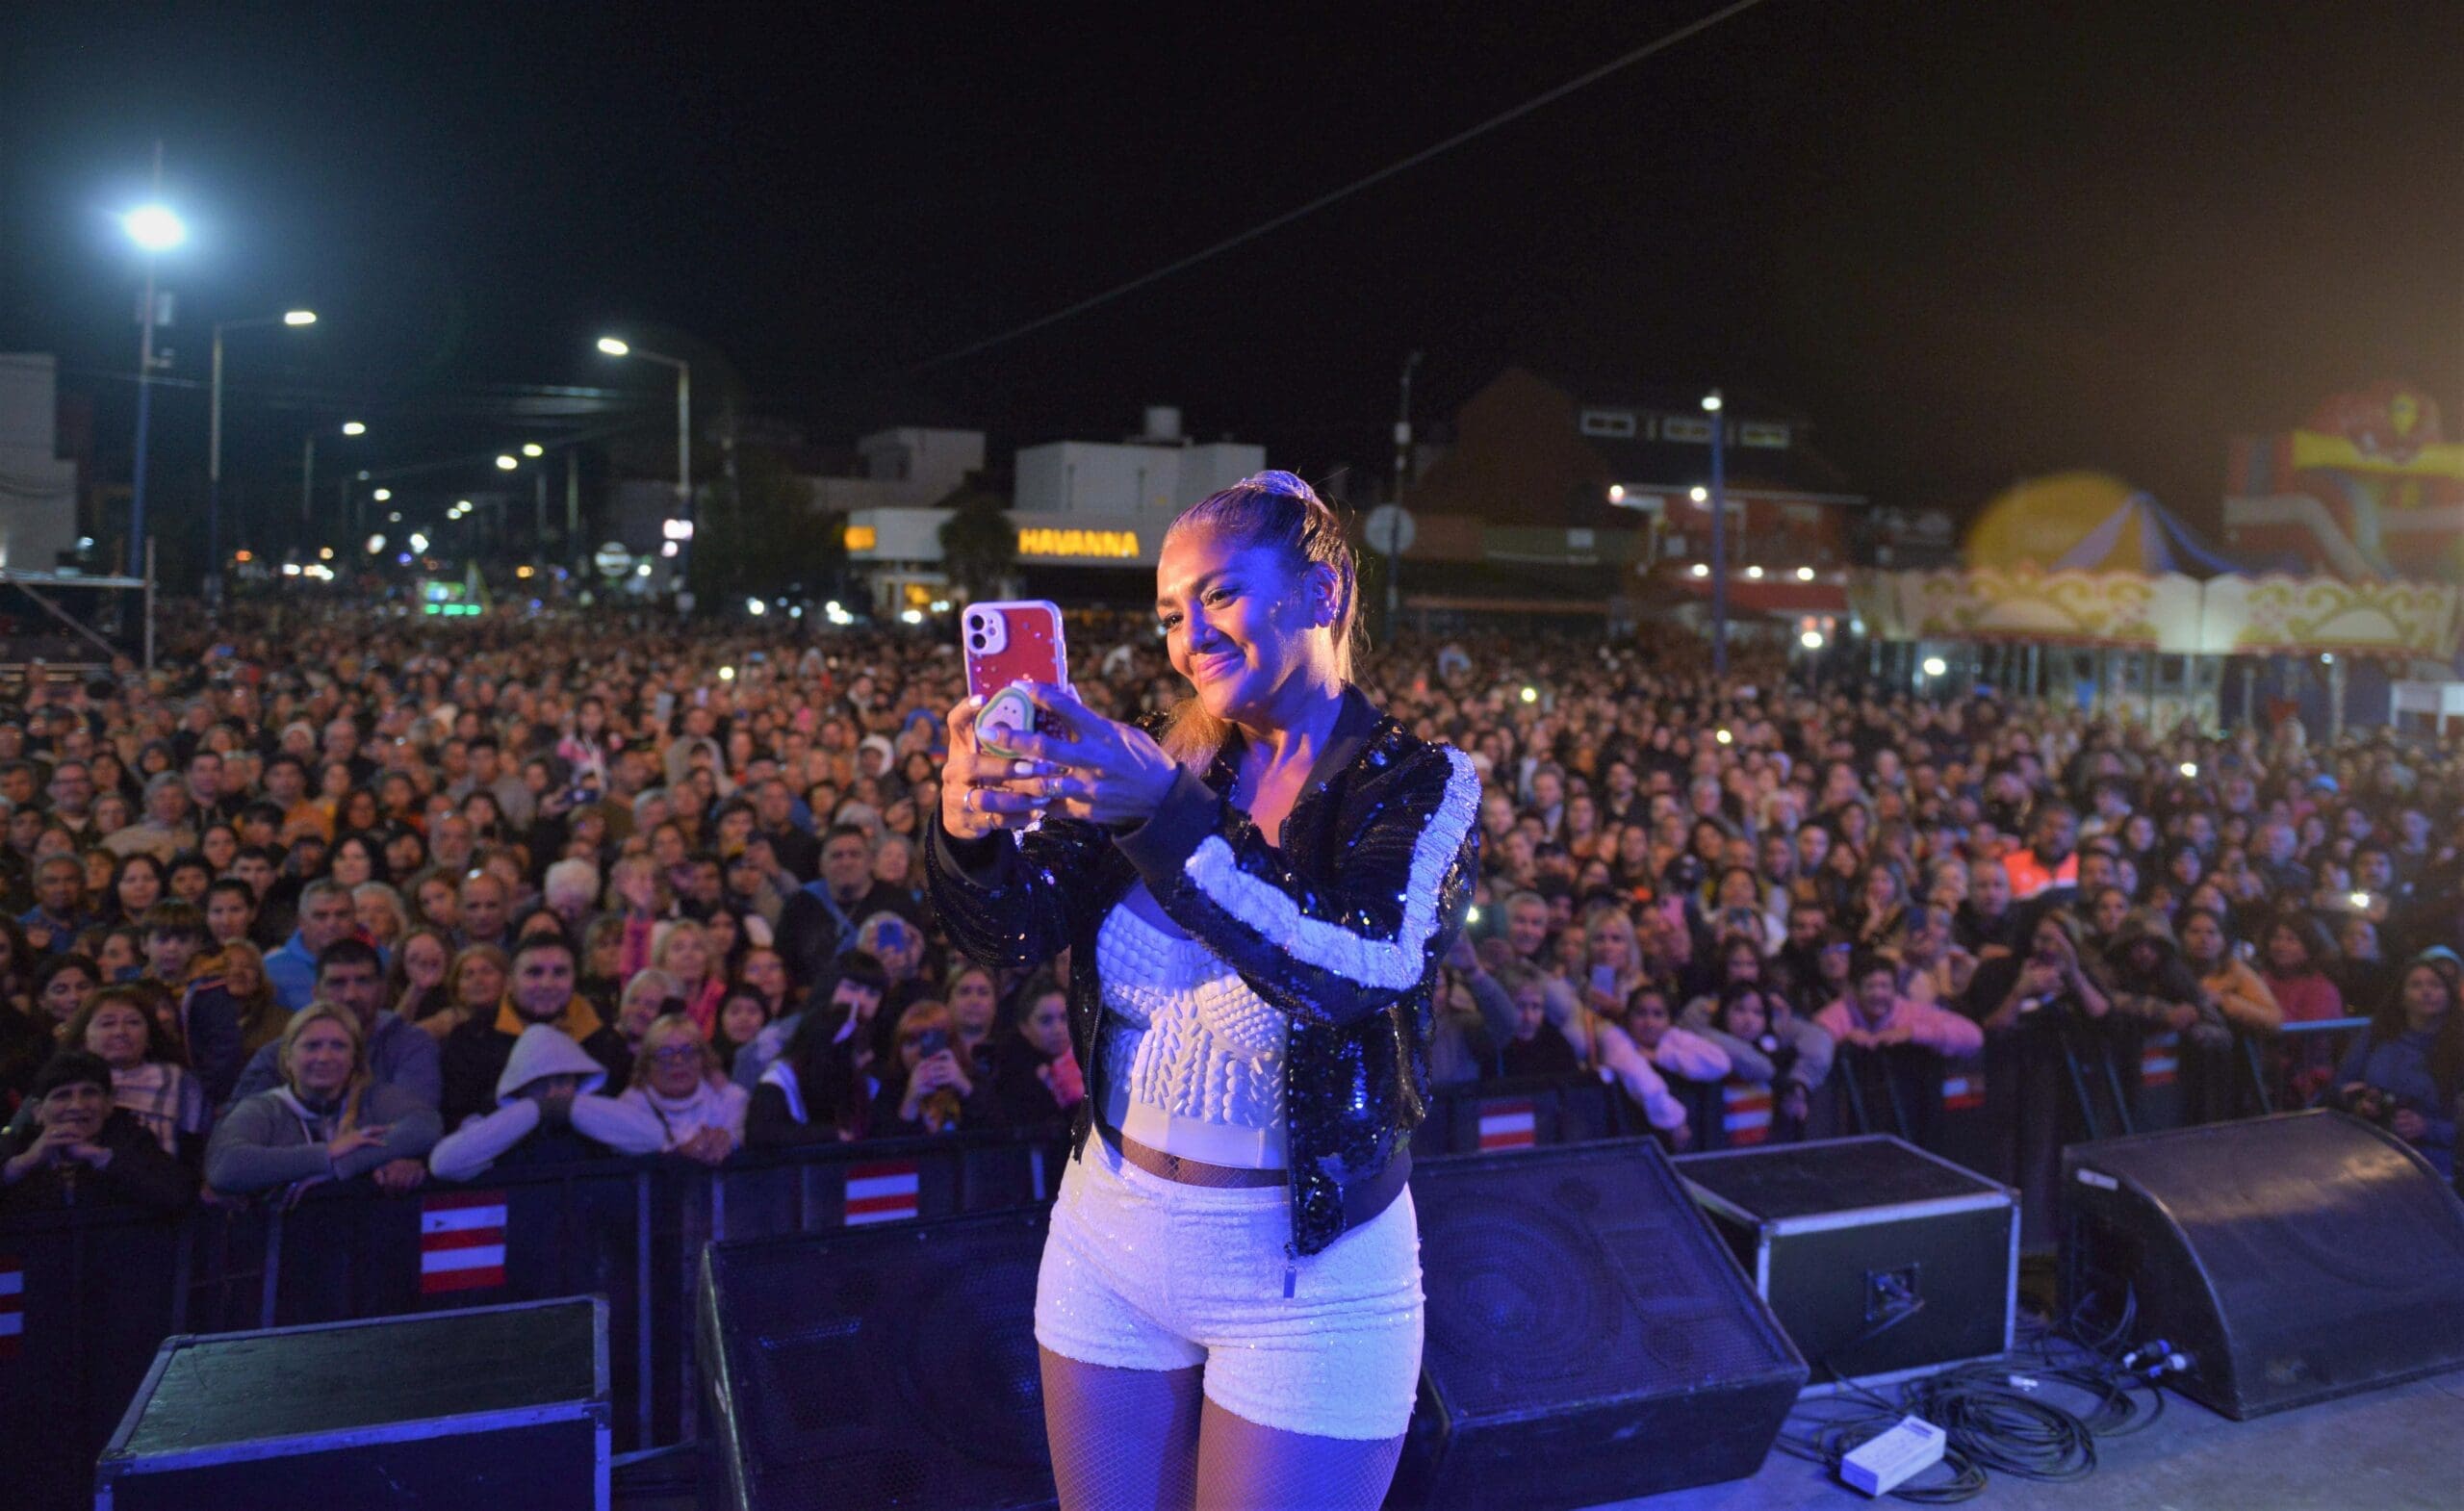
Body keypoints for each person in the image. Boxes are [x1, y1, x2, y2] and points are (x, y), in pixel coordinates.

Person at [930, 472, 1476, 1505]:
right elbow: (1012, 932)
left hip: (1304, 1284)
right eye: (1171, 615)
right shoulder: (1153, 757)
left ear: (1321, 594)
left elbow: (1352, 970)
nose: (1189, 638)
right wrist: (968, 832)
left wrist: (1167, 817)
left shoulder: (1416, 784)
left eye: (1219, 595)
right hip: (1107, 1241)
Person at [205, 1003, 443, 1196]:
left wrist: (347, 1163)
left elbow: (425, 1126)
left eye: (338, 1046)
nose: (324, 1057)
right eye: (312, 1046)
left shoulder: (373, 1097)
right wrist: (327, 1153)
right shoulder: (264, 1109)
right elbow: (224, 1167)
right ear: (288, 1058)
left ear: (354, 1059)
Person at [427, 1022, 666, 1180]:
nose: (553, 1094)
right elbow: (444, 1164)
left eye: (562, 1080)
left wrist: (572, 1108)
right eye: (540, 1084)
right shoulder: (493, 1122)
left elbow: (654, 1138)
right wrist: (534, 1110)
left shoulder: (602, 1118)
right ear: (520, 1087)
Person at [438, 934, 630, 1127]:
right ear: (510, 982)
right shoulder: (471, 1040)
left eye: (560, 972)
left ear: (574, 979)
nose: (547, 984)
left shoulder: (602, 1036)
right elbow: (459, 1117)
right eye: (534, 972)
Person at [0, 1049, 195, 1213]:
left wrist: (102, 1158)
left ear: (109, 1104)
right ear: (38, 1111)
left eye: (89, 1092)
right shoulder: (14, 1146)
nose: (77, 1105)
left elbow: (179, 1195)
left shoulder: (134, 1141)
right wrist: (24, 1163)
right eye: (62, 1096)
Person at [2333, 961, 2462, 1176]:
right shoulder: (2377, 1036)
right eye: (2416, 985)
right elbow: (2341, 1082)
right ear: (2401, 997)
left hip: (2434, 1160)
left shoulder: (2458, 1046)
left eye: (2435, 985)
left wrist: (2426, 1127)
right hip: (2370, 1149)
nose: (2426, 991)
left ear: (2448, 994)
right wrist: (2358, 1101)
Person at [618, 1013, 748, 1165]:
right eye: (665, 1053)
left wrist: (727, 1142)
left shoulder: (729, 1098)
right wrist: (678, 1155)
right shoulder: (630, 1106)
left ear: (703, 1058)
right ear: (647, 1063)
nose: (678, 1061)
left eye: (688, 1051)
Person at [988, 970, 1085, 1130]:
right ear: (1024, 1027)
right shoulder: (1012, 1073)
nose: (1058, 1029)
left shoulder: (1088, 1062)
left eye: (1064, 1018)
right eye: (1046, 1020)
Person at [264, 880, 356, 1012]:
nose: (332, 924)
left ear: (355, 918)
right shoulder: (269, 971)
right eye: (321, 916)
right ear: (301, 922)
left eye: (341, 915)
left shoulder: (381, 961)